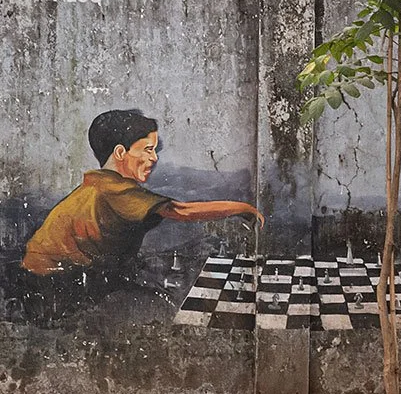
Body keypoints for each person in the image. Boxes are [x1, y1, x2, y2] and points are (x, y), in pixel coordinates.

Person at [22, 109, 261, 276]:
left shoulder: (98, 185)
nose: (153, 158)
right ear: (119, 153)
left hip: (51, 276)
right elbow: (182, 211)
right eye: (147, 149)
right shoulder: (113, 190)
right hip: (52, 282)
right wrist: (243, 208)